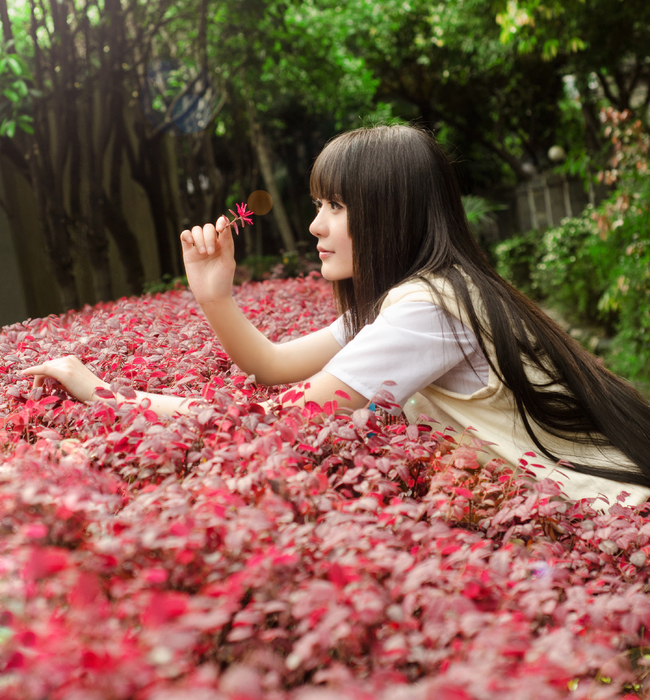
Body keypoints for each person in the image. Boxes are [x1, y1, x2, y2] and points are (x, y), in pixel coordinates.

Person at [21, 124, 650, 508]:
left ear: (390, 213)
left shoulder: (429, 309)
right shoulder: (419, 295)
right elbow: (271, 367)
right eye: (319, 205)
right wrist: (215, 296)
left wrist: (100, 391)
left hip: (611, 508)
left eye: (336, 207)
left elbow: (276, 421)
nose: (317, 226)